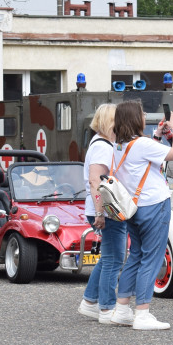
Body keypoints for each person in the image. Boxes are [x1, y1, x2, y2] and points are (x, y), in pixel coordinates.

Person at [108, 100, 173, 330]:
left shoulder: (119, 145)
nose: (145, 116)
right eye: (142, 113)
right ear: (134, 119)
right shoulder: (141, 144)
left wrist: (157, 135)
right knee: (152, 257)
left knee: (136, 256)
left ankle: (122, 309)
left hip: (134, 208)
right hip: (154, 204)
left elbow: (143, 160)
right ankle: (142, 313)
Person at [77, 104, 128, 324]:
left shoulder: (100, 143)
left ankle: (90, 302)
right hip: (106, 210)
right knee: (114, 259)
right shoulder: (103, 147)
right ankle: (106, 308)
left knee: (109, 258)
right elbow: (95, 180)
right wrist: (100, 212)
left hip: (102, 209)